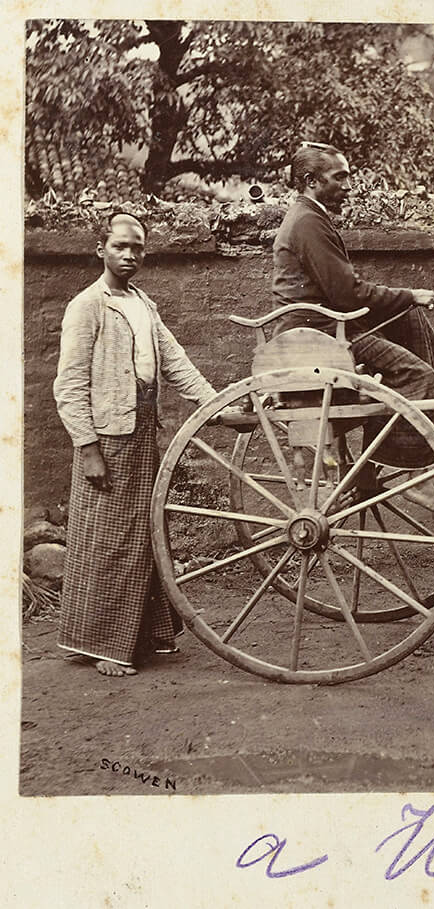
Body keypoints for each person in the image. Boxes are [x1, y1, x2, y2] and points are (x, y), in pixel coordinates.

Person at [270, 141, 434, 506]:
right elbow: (347, 294)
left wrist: (406, 299)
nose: (349, 185)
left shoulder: (312, 216)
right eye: (340, 177)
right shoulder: (307, 222)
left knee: (409, 313)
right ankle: (412, 477)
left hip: (328, 324)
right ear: (310, 180)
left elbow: (345, 290)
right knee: (417, 377)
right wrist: (407, 293)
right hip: (318, 332)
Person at [53, 212, 219, 677]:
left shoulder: (143, 303)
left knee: (144, 535)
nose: (130, 255)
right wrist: (87, 448)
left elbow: (176, 362)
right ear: (100, 249)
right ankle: (105, 646)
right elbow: (69, 385)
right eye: (120, 246)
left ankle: (144, 636)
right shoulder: (87, 306)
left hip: (144, 431)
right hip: (107, 439)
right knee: (107, 542)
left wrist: (217, 407)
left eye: (138, 248)